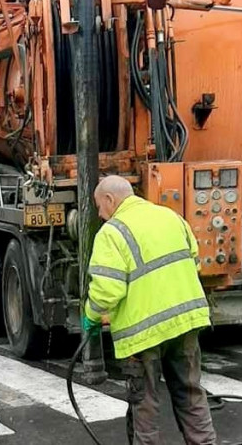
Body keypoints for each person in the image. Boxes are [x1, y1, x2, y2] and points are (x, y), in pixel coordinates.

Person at [82, 175, 216, 445]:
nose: (100, 214)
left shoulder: (112, 233)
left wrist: (91, 316)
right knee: (191, 395)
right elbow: (194, 264)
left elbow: (108, 290)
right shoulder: (171, 217)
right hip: (186, 323)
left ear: (109, 199)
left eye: (99, 206)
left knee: (145, 404)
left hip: (143, 334)